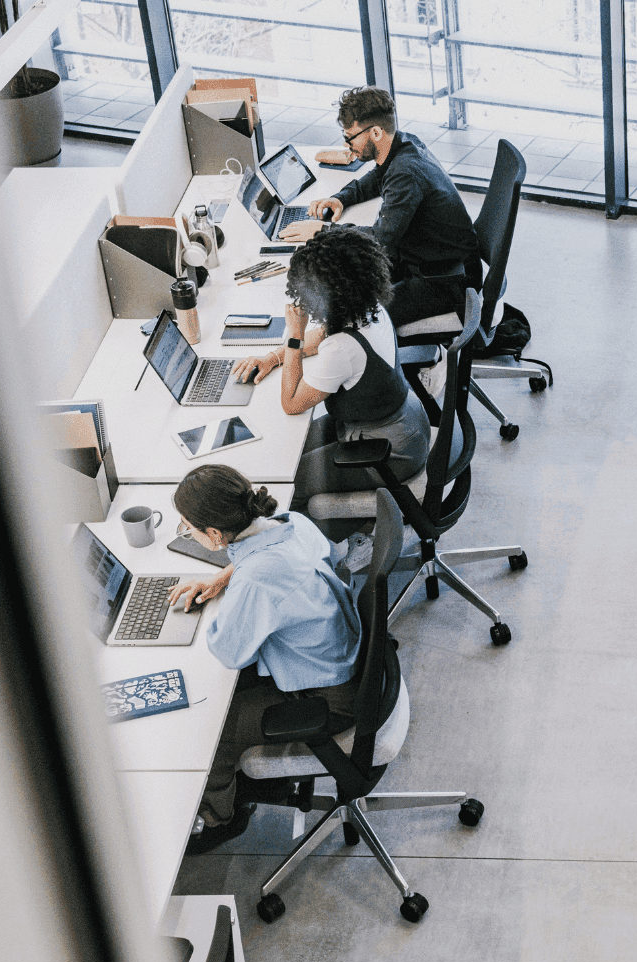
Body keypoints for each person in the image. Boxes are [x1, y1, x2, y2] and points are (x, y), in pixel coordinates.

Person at [166, 465, 361, 853]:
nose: (185, 531)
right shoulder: (293, 522)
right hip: (340, 657)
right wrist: (223, 578)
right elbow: (262, 558)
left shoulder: (257, 579)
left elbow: (229, 651)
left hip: (329, 697)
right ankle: (256, 784)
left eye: (187, 526)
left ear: (215, 535)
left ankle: (219, 818)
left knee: (213, 725)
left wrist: (233, 597)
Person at [232, 225, 432, 531]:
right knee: (283, 453)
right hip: (399, 422)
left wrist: (294, 334)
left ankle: (350, 544)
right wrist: (273, 358)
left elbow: (291, 403)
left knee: (286, 488)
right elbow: (324, 334)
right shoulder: (367, 306)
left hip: (390, 452)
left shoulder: (342, 349)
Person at [279, 86, 479, 327]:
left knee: (353, 319)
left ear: (375, 132)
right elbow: (377, 177)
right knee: (345, 285)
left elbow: (380, 239)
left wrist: (322, 231)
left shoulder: (406, 173)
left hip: (444, 279)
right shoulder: (403, 144)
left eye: (350, 137)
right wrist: (342, 198)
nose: (347, 145)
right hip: (428, 257)